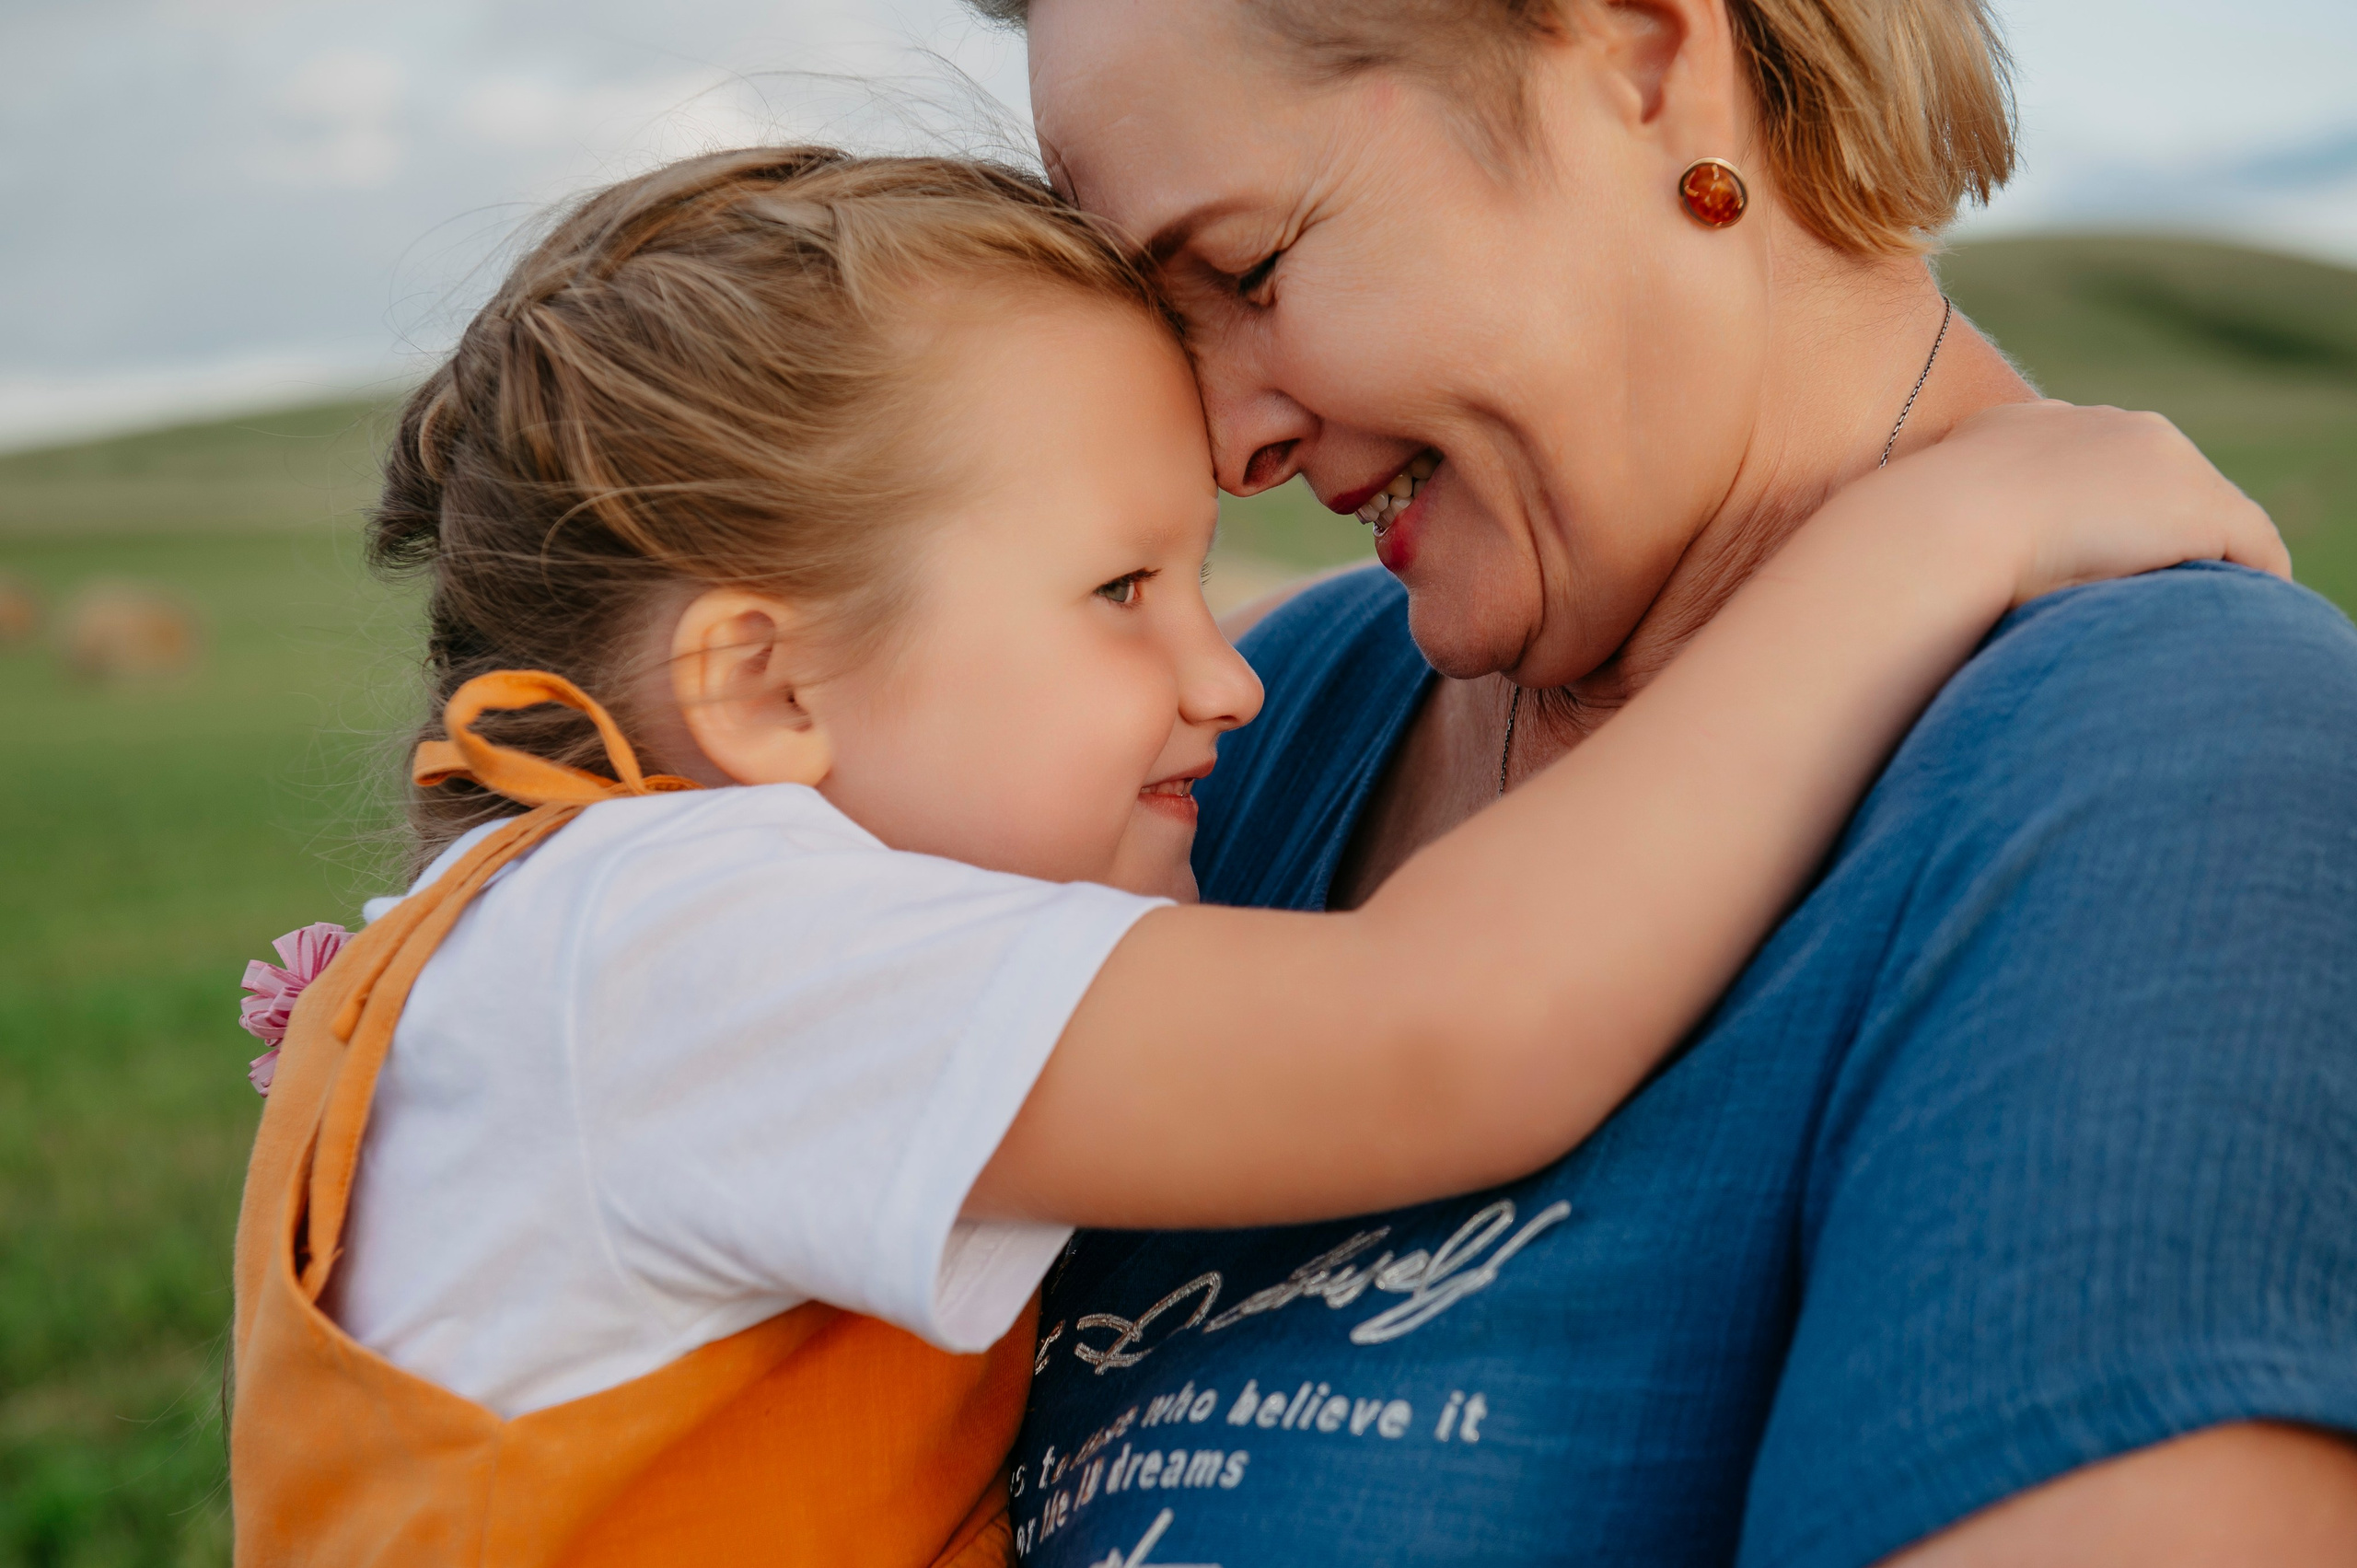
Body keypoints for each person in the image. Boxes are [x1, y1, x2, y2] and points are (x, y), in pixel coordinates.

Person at [225, 148, 2271, 1564]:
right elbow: (1444, 1025)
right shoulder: (677, 934)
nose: (1226, 685)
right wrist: (1940, 536)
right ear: (760, 687)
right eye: (1120, 589)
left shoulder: (576, 947)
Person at [988, 0, 2357, 1563]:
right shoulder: (1244, 731)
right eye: (1170, 324)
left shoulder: (2173, 770)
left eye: (1248, 271)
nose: (1229, 446)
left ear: (1641, 57)